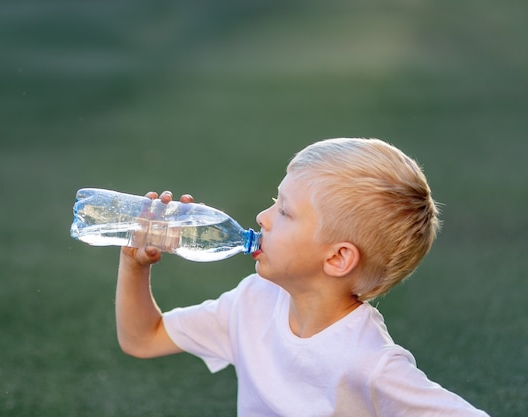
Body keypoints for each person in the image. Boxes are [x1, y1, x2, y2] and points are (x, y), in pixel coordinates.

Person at [115, 138, 490, 416]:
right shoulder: (254, 301)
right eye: (274, 202)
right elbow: (143, 339)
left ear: (338, 258)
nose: (263, 217)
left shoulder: (369, 363)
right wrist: (135, 265)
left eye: (285, 212)